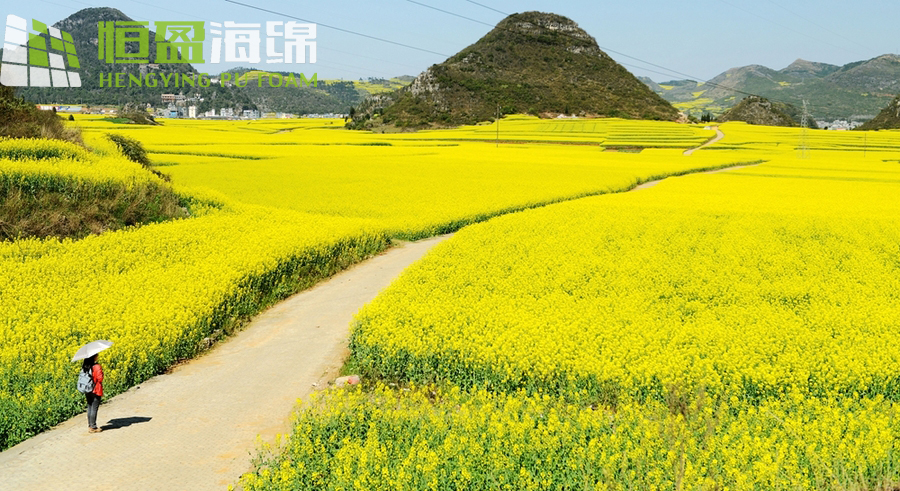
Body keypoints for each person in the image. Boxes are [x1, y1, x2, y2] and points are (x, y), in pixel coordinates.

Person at [82, 354, 104, 433]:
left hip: (88, 389)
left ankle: (90, 425)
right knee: (94, 408)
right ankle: (93, 427)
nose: (98, 356)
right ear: (93, 357)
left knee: (90, 407)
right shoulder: (96, 366)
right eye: (96, 355)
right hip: (96, 389)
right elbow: (100, 378)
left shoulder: (85, 366)